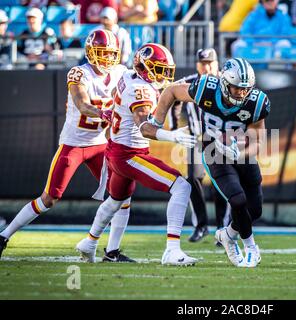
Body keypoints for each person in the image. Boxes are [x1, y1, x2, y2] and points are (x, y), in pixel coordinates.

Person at [0, 30, 133, 261]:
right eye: (102, 54)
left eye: (111, 54)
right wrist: (103, 112)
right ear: (90, 53)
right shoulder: (79, 73)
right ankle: (3, 236)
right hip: (74, 144)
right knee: (49, 198)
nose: (107, 59)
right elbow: (82, 103)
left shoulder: (121, 72)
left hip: (102, 144)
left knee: (121, 195)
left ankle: (112, 251)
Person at [76, 43, 198, 266]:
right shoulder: (141, 89)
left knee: (116, 200)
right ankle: (172, 250)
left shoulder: (128, 78)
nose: (164, 75)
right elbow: (144, 128)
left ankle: (90, 242)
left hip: (115, 148)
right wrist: (172, 137)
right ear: (144, 67)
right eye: (159, 69)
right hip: (129, 153)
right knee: (182, 186)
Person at [146, 58, 271, 268]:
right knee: (238, 201)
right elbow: (171, 91)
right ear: (224, 83)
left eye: (245, 89)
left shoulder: (256, 102)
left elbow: (260, 141)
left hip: (243, 154)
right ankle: (250, 247)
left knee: (255, 211)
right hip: (214, 152)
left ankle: (228, 235)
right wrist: (157, 122)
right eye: (236, 88)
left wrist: (239, 154)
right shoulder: (206, 89)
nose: (241, 93)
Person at [169, 48, 231, 244]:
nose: (207, 67)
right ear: (197, 64)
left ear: (217, 64)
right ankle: (201, 225)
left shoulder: (226, 82)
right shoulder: (190, 82)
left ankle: (223, 228)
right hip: (197, 138)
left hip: (221, 139)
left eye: (210, 63)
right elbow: (172, 96)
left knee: (220, 184)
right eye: (203, 63)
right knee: (193, 179)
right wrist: (173, 126)